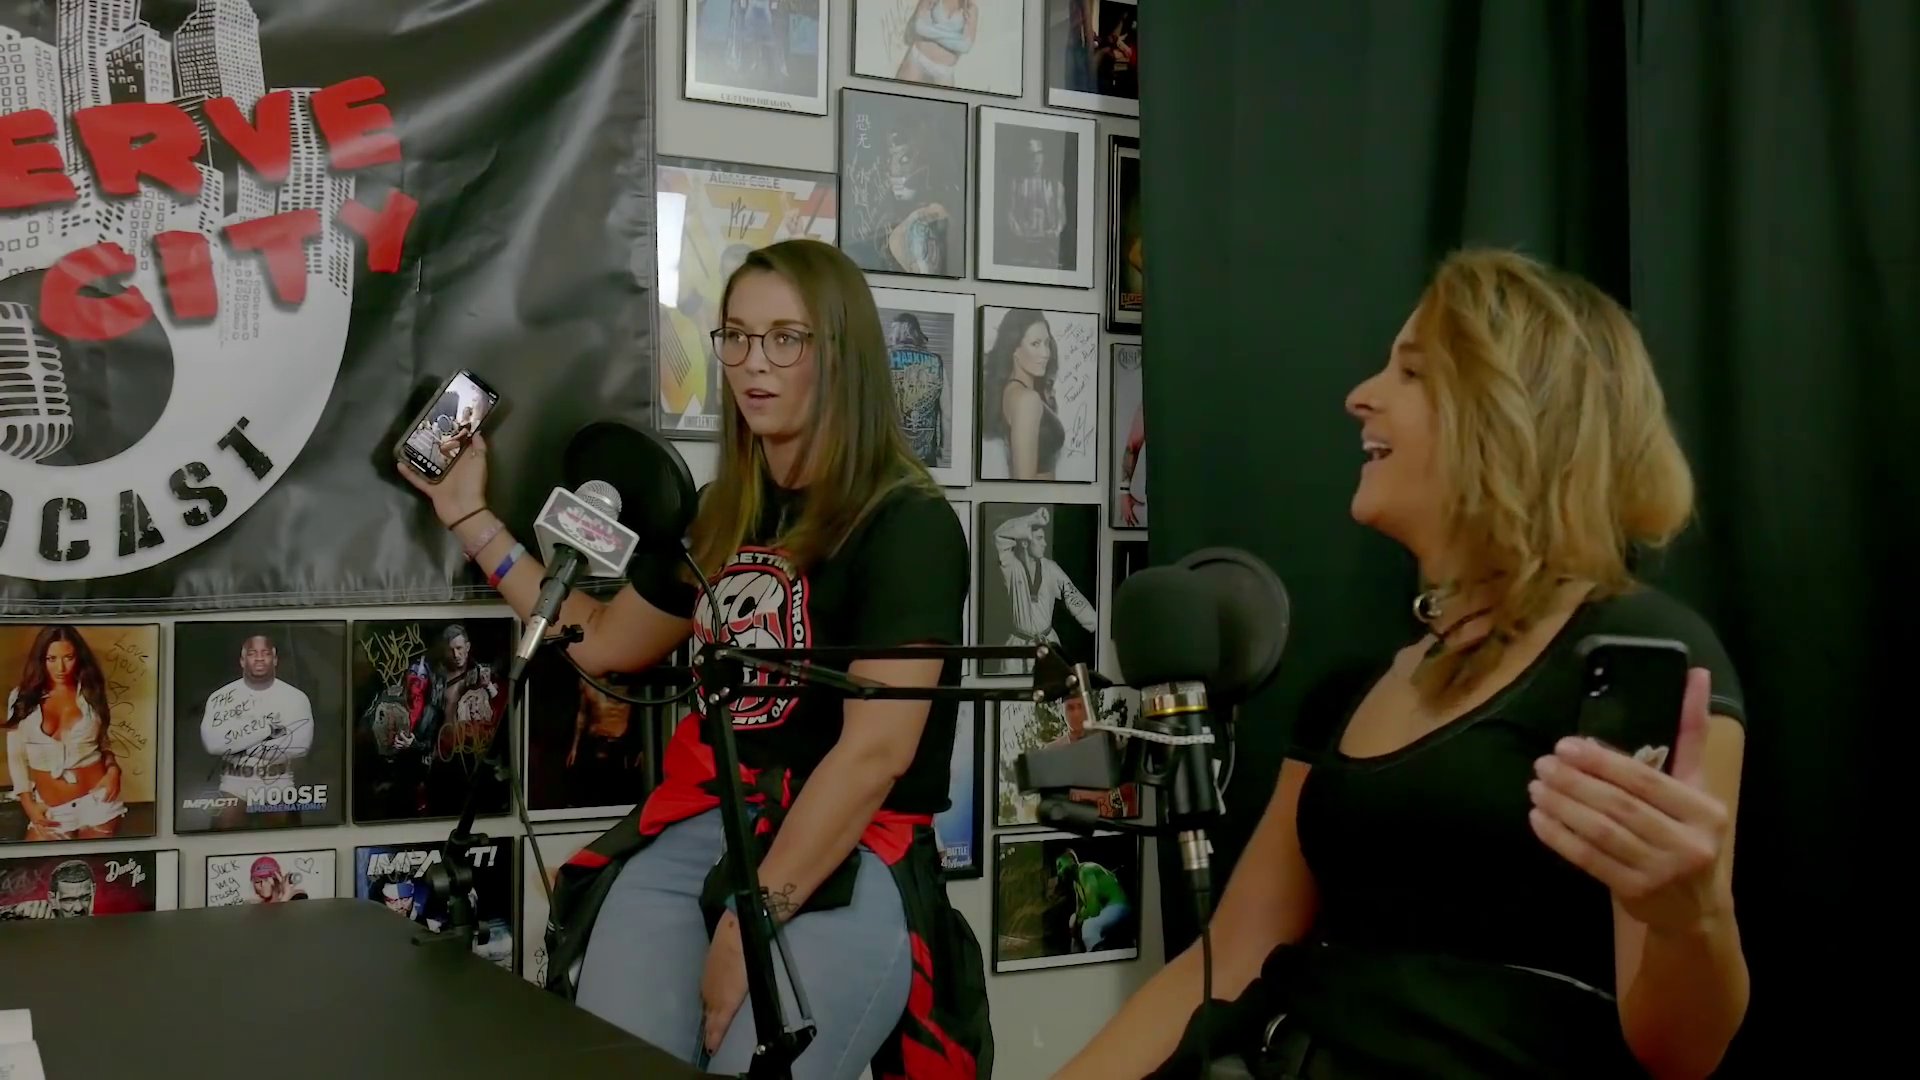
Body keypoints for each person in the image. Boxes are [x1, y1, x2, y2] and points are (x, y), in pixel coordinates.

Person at [1057, 250, 1751, 1080]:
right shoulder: (1346, 695)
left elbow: (1680, 1053)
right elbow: (1231, 957)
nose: (1360, 395)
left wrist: (1689, 919)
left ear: (1513, 417)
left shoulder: (1639, 655)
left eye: (1412, 372)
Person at [398, 238, 989, 1080]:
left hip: (844, 849)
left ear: (843, 353)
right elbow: (603, 639)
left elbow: (874, 756)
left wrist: (751, 924)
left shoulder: (906, 523)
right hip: (707, 830)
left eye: (786, 338)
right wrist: (469, 517)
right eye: (737, 336)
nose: (755, 362)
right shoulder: (726, 512)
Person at [5, 626, 125, 842]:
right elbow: (16, 757)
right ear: (41, 660)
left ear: (79, 657)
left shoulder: (90, 692)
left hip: (98, 802)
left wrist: (114, 770)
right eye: (51, 659)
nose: (60, 668)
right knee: (36, 863)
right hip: (51, 809)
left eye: (68, 658)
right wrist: (28, 804)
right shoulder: (22, 697)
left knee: (92, 864)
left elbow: (103, 742)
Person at [198, 633, 316, 830]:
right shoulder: (220, 697)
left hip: (279, 783)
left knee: (285, 839)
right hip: (234, 784)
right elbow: (213, 744)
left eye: (265, 653)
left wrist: (237, 742)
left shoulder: (296, 698)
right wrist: (268, 732)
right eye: (253, 653)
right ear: (242, 661)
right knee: (223, 832)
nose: (259, 658)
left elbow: (299, 746)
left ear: (275, 660)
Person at [988, 506, 1096, 675]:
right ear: (1024, 542)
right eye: (1038, 539)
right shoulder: (1011, 568)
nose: (1044, 543)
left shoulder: (1051, 569)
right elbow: (999, 536)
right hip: (1018, 644)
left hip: (1048, 643)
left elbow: (1073, 596)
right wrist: (1032, 519)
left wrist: (1097, 626)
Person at [984, 309, 1067, 480]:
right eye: (1035, 344)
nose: (1045, 353)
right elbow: (1024, 480)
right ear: (1014, 349)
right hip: (1042, 497)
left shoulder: (1015, 392)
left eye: (1047, 343)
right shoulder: (1027, 400)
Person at [1056, 850, 1132, 953]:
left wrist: (1080, 919)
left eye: (1060, 866)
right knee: (1073, 922)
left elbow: (1093, 908)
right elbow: (1079, 909)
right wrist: (1076, 921)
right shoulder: (1076, 882)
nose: (1059, 872)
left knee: (1089, 927)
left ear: (1071, 861)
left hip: (1118, 906)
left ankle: (1098, 957)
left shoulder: (1085, 871)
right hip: (1106, 909)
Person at [896, 0, 977, 86]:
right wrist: (956, 37)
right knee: (899, 90)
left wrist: (931, 31)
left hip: (944, 70)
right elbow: (919, 27)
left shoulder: (970, 8)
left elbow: (965, 46)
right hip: (919, 59)